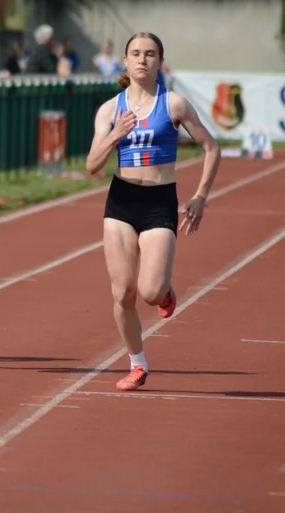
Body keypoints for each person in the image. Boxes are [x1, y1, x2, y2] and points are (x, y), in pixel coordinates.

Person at [85, 32, 220, 392]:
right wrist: (115, 135)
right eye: (135, 54)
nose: (142, 60)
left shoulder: (174, 104)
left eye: (150, 54)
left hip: (160, 200)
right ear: (125, 62)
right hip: (121, 201)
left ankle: (164, 292)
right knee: (121, 293)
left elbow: (211, 148)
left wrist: (200, 196)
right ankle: (137, 363)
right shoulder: (110, 109)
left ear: (160, 61)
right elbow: (92, 165)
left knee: (148, 291)